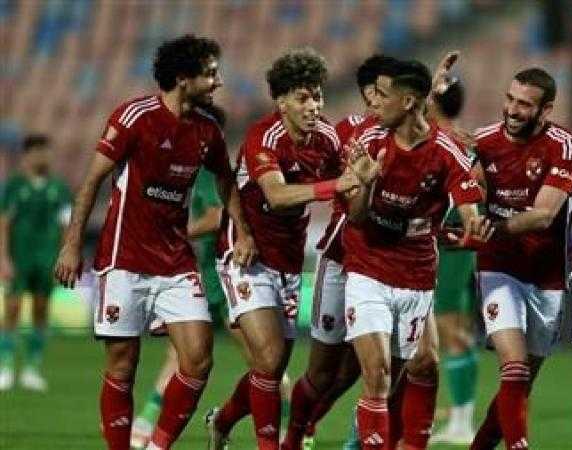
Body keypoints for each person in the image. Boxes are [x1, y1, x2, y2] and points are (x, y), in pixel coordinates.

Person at [53, 35, 258, 450]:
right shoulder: (135, 117)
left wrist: (244, 231)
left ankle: (157, 446)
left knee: (198, 360)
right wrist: (71, 245)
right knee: (122, 364)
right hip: (123, 259)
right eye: (211, 73)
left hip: (176, 262)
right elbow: (92, 181)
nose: (218, 81)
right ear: (183, 78)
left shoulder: (207, 129)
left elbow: (225, 181)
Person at [205, 48, 359, 450]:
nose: (313, 106)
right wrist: (336, 185)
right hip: (247, 255)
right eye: (303, 98)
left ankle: (221, 421)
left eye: (318, 97)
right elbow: (275, 195)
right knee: (270, 361)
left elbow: (350, 187)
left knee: (271, 368)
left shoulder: (326, 138)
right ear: (282, 101)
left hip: (289, 261)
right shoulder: (264, 137)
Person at [342, 58, 489, 450]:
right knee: (377, 373)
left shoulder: (447, 151)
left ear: (407, 102)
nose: (373, 102)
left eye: (382, 96)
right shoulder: (370, 140)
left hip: (417, 275)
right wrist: (365, 185)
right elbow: (355, 217)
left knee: (422, 366)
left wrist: (473, 224)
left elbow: (468, 202)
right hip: (368, 269)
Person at [281, 54, 393, 450]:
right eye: (387, 90)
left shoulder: (412, 134)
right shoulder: (346, 131)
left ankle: (342, 435)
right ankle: (294, 435)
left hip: (386, 267)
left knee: (370, 368)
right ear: (370, 94)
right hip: (342, 259)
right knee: (323, 371)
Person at [468, 68, 572, 450]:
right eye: (510, 99)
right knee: (513, 367)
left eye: (524, 104)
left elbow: (544, 215)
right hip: (498, 267)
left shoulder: (564, 146)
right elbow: (468, 190)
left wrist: (492, 227)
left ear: (545, 110)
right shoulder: (484, 141)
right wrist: (469, 219)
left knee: (519, 384)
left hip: (547, 276)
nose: (513, 110)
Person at [428, 74, 482, 445]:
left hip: (449, 242)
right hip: (463, 242)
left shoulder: (443, 141)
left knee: (449, 329)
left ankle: (462, 422)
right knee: (458, 327)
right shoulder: (467, 141)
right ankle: (462, 416)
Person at [0, 134, 72, 392]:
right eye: (38, 151)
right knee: (12, 308)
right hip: (20, 256)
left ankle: (32, 368)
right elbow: (4, 224)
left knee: (41, 310)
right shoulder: (15, 186)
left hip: (47, 258)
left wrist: (64, 257)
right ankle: (6, 367)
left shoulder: (60, 188)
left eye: (46, 151)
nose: (43, 156)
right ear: (27, 155)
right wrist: (3, 258)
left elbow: (66, 226)